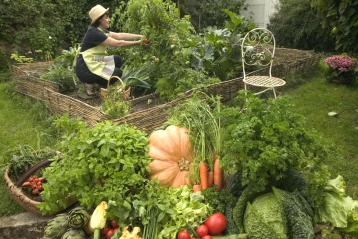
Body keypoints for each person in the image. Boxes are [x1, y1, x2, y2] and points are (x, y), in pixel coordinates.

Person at [75, 4, 149, 96]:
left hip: (94, 61)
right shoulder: (94, 33)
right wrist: (139, 43)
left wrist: (140, 36)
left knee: (117, 60)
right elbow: (119, 43)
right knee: (117, 73)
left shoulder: (99, 30)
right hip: (85, 69)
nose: (109, 19)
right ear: (99, 19)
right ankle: (89, 84)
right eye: (107, 17)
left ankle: (101, 86)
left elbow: (119, 36)